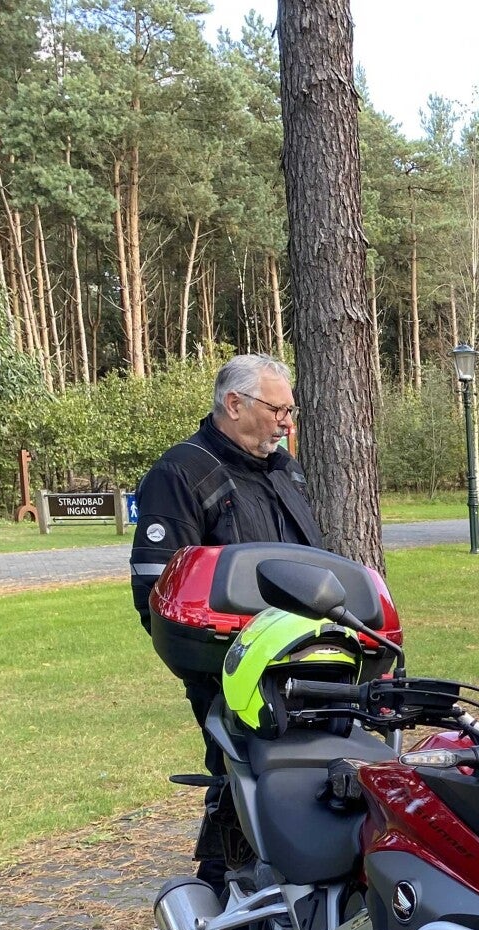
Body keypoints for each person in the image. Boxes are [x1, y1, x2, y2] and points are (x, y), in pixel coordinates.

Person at [129, 354, 322, 890]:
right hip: (231, 671)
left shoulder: (284, 470)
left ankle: (305, 894)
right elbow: (158, 593)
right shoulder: (180, 474)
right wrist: (219, 665)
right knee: (244, 784)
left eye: (291, 411)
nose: (287, 423)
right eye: (277, 410)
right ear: (234, 404)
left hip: (308, 662)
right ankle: (222, 900)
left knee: (312, 783)